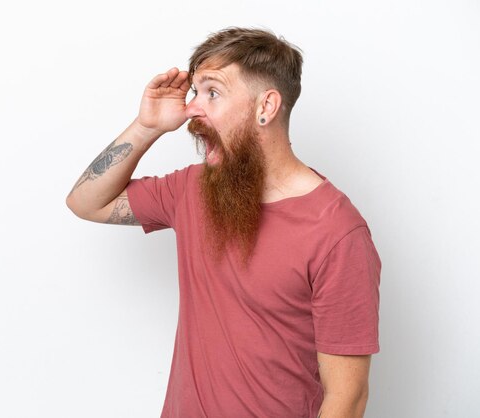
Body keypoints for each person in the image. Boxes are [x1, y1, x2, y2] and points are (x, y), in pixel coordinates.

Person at [66, 27, 381, 418]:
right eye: (194, 91)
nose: (192, 108)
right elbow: (86, 202)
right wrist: (146, 127)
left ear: (266, 107)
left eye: (211, 92)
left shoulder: (336, 232)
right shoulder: (192, 190)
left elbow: (347, 399)